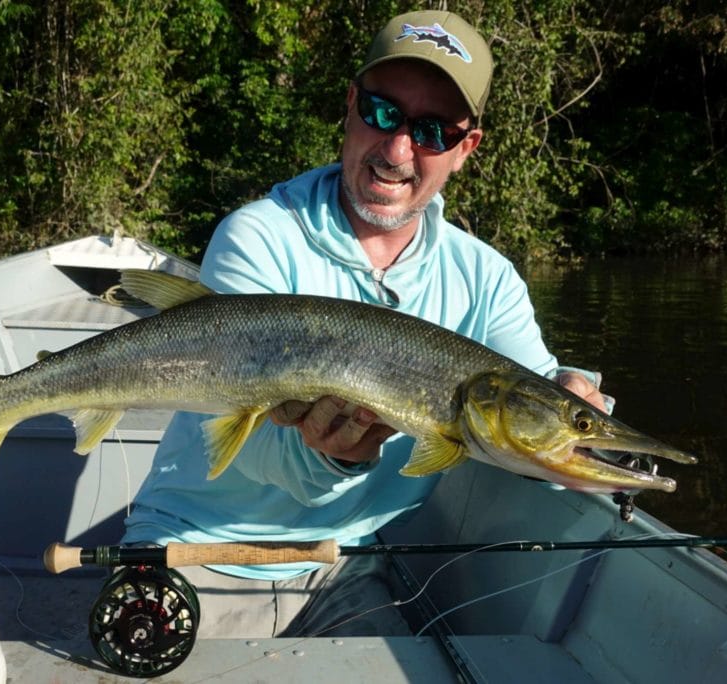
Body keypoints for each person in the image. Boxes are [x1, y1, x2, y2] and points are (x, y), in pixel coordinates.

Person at [121, 10, 608, 638]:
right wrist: (337, 461)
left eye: (432, 130)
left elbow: (537, 403)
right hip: (195, 544)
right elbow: (255, 450)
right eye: (383, 113)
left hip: (348, 564)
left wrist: (577, 395)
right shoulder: (260, 236)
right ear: (350, 107)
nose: (398, 150)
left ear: (466, 150)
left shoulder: (486, 278)